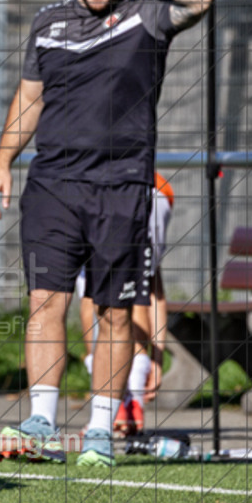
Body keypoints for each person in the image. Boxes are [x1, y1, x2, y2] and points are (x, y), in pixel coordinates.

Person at [0, 0, 213, 467]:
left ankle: (101, 432)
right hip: (53, 186)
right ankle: (40, 421)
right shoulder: (48, 22)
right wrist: (1, 162)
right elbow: (29, 98)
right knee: (45, 303)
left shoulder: (147, 16)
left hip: (123, 188)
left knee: (113, 311)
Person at [80, 172, 174, 436]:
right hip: (151, 187)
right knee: (138, 284)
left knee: (93, 288)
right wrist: (156, 357)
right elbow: (155, 290)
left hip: (97, 184)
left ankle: (116, 404)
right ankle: (128, 401)